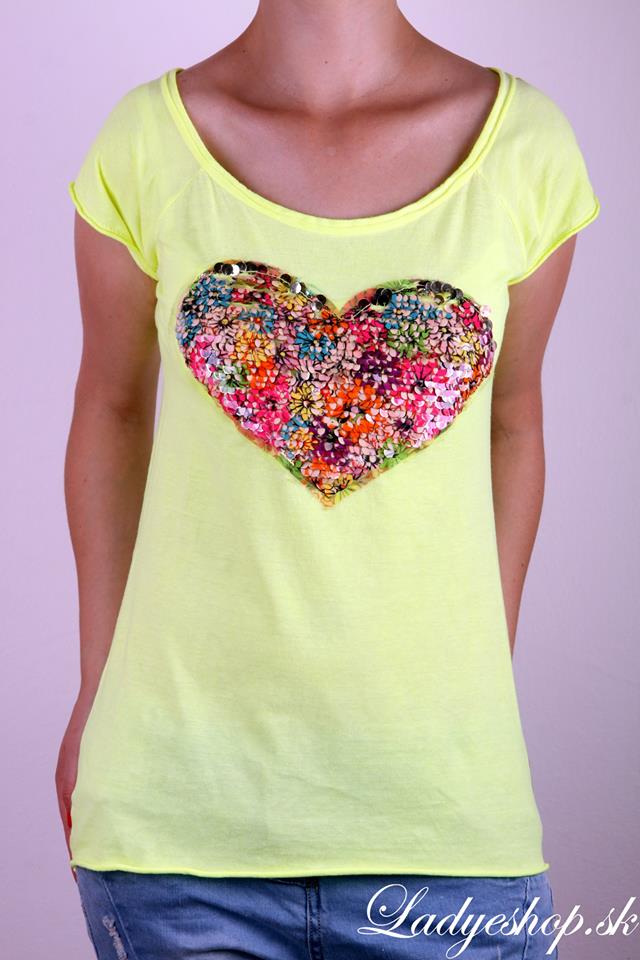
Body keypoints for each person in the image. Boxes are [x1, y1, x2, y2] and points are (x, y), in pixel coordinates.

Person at [57, 1, 600, 957]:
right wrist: (96, 688)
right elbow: (110, 412)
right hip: (173, 828)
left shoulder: (525, 146)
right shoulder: (147, 140)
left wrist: (470, 688)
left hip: (446, 831)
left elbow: (514, 424)